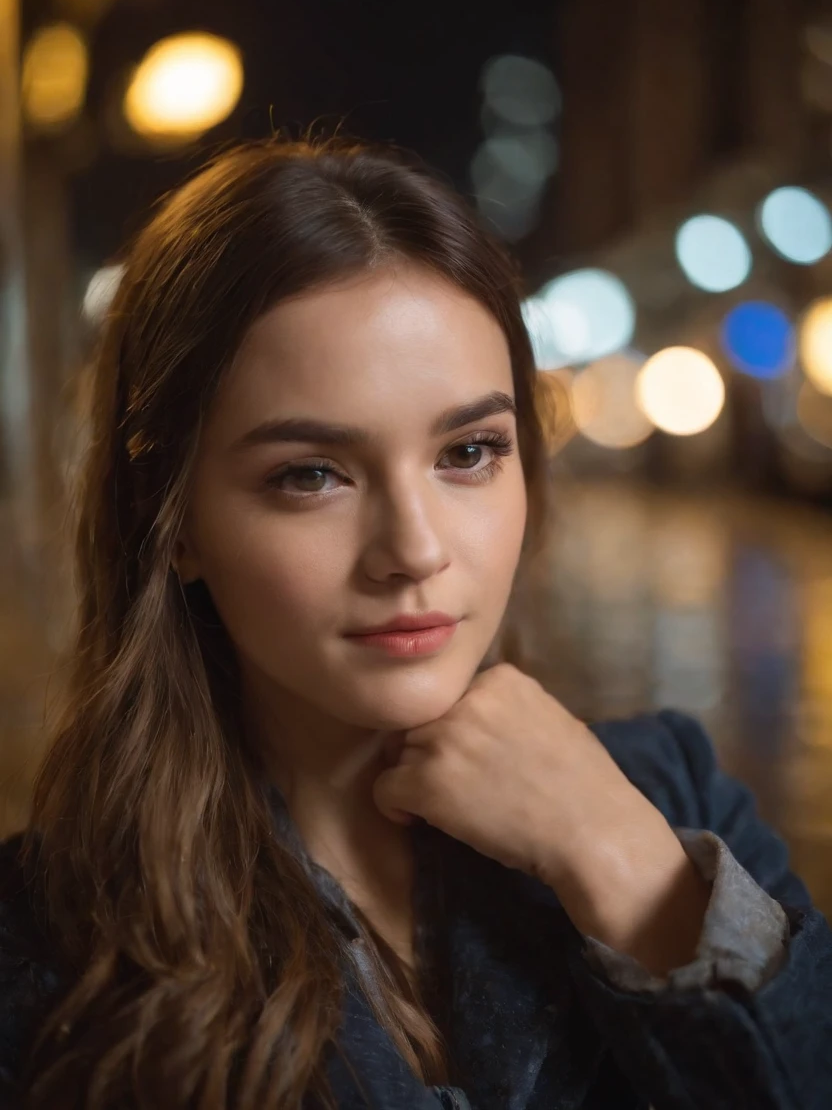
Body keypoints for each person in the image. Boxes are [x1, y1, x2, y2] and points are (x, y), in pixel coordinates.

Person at [0, 138, 830, 1110]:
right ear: (171, 520)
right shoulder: (46, 944)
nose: (415, 547)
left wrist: (614, 855)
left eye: (469, 451)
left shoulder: (670, 799)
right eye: (311, 474)